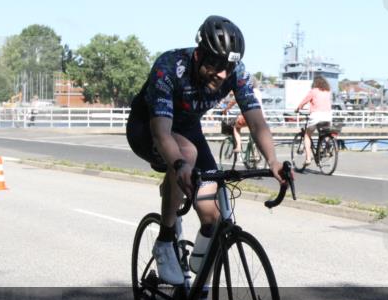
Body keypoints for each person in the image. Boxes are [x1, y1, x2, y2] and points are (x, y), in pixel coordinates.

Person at [126, 15, 284, 285]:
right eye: (215, 64)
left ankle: (197, 292)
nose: (222, 74)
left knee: (212, 215)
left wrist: (273, 161)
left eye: (228, 67)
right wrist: (178, 165)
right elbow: (162, 133)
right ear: (198, 54)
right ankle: (165, 240)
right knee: (186, 154)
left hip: (188, 129)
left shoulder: (236, 72)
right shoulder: (169, 66)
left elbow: (257, 123)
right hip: (149, 127)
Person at [295, 76, 332, 169]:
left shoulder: (313, 91)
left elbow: (304, 101)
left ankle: (308, 158)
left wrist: (298, 108)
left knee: (307, 136)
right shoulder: (327, 92)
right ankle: (327, 150)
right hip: (327, 116)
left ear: (315, 83)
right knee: (324, 134)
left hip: (316, 116)